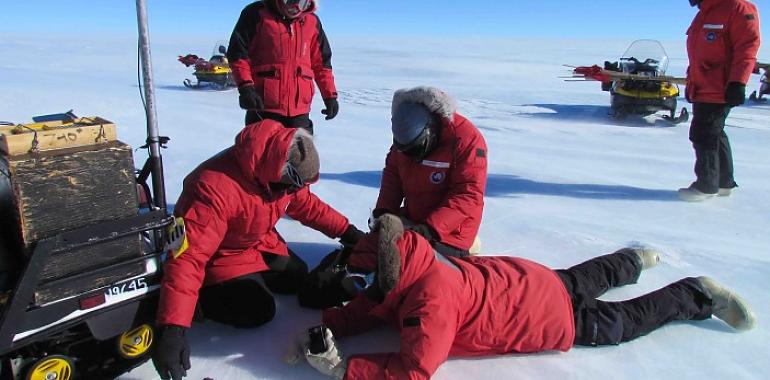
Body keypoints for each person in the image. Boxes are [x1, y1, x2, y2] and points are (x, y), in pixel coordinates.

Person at [285, 214, 757, 380]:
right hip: (530, 280)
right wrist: (330, 327)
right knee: (582, 277)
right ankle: (634, 260)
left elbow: (415, 370)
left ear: (389, 275)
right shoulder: (414, 256)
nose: (361, 293)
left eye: (365, 282)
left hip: (547, 320)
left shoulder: (431, 304)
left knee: (626, 321)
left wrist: (347, 369)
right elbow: (375, 304)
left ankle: (696, 294)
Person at [151, 120, 364, 380]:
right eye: (293, 185)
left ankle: (250, 278)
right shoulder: (212, 189)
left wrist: (348, 232)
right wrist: (172, 328)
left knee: (297, 277)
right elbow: (188, 257)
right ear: (280, 171)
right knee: (258, 310)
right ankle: (199, 303)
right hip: (220, 255)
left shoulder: (280, 174)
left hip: (257, 242)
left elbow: (308, 206)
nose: (293, 191)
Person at [373, 86, 487, 257]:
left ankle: (468, 249)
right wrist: (384, 211)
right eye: (405, 150)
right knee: (372, 251)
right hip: (415, 220)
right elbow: (393, 176)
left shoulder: (466, 140)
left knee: (409, 262)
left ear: (431, 129)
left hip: (452, 232)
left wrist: (430, 229)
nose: (411, 155)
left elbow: (468, 193)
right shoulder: (405, 138)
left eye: (417, 148)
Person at [678, 0, 761, 201]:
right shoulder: (705, 12)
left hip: (721, 87)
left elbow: (747, 48)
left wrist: (738, 82)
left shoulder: (738, 8)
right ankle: (723, 182)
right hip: (704, 85)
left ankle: (705, 186)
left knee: (703, 133)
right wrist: (692, 84)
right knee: (714, 132)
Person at [226, 0, 339, 133]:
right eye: (289, 1)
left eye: (302, 3)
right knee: (259, 151)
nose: (295, 7)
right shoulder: (256, 13)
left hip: (299, 111)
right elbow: (238, 53)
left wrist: (330, 95)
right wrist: (246, 88)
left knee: (300, 152)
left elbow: (322, 63)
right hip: (263, 107)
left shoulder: (312, 22)